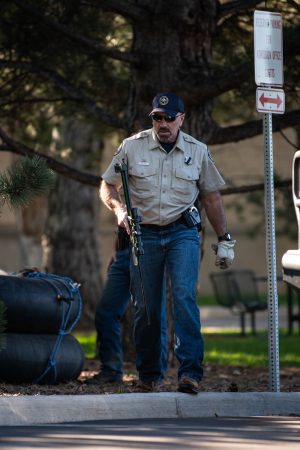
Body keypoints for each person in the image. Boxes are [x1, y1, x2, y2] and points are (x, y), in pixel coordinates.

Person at [100, 92, 235, 394]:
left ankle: (189, 374)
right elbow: (107, 183)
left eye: (169, 117)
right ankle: (150, 376)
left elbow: (211, 197)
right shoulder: (131, 147)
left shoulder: (197, 151)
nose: (162, 123)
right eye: (157, 118)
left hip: (182, 233)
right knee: (146, 306)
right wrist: (119, 210)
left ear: (181, 119)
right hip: (143, 233)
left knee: (184, 297)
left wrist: (224, 238)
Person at [89, 226, 168, 385]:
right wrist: (116, 248)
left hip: (147, 251)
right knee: (106, 313)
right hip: (123, 252)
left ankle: (155, 375)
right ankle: (111, 370)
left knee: (152, 313)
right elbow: (122, 219)